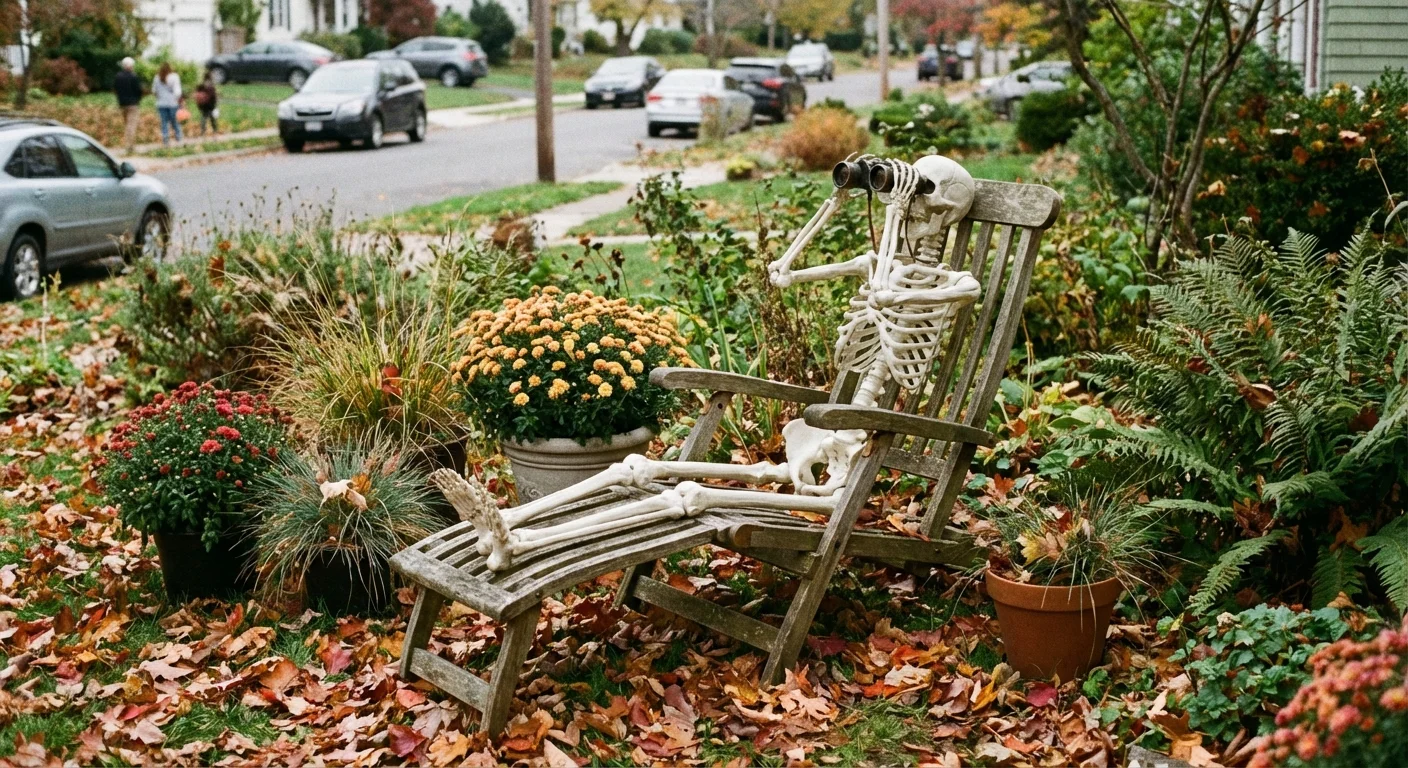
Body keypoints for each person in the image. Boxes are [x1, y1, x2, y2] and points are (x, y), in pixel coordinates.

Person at [114, 57, 143, 154]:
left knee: (127, 124)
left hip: (122, 104)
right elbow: (138, 90)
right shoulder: (134, 76)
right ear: (131, 66)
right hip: (133, 104)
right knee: (131, 125)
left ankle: (128, 145)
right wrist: (138, 99)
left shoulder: (118, 76)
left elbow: (116, 89)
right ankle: (130, 147)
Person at [152, 62, 184, 146]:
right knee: (175, 121)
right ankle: (178, 138)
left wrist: (160, 97)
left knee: (164, 122)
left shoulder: (157, 77)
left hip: (161, 103)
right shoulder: (174, 77)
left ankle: (165, 139)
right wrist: (178, 100)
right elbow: (177, 92)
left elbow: (154, 91)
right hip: (172, 103)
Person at [194, 70, 219, 136]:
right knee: (212, 118)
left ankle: (203, 132)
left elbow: (197, 95)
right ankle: (215, 131)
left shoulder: (201, 85)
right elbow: (213, 96)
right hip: (210, 105)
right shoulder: (211, 86)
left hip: (202, 105)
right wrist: (215, 104)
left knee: (203, 118)